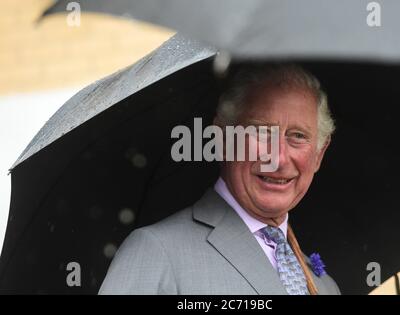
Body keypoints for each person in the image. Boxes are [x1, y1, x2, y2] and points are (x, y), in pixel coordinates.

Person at [99, 64, 340, 295]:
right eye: (261, 131)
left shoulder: (325, 286)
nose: (277, 158)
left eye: (298, 136)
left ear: (319, 154)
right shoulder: (156, 253)